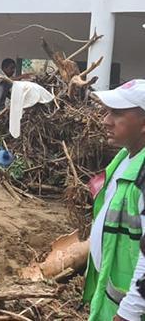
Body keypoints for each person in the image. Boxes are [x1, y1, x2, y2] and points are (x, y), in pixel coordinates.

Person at [83, 79, 145, 321]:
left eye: (117, 113)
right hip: (111, 297)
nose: (105, 120)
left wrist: (128, 312)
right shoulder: (124, 157)